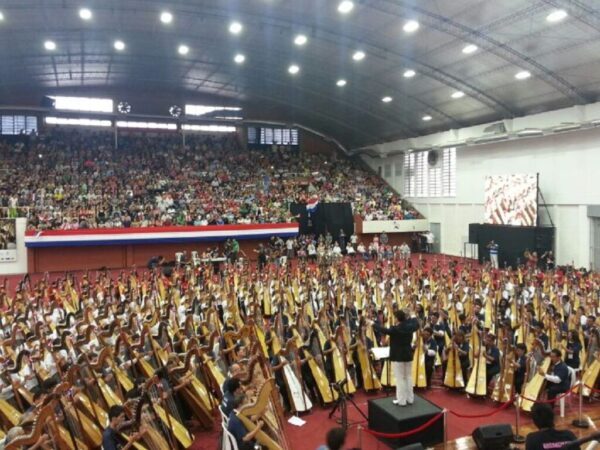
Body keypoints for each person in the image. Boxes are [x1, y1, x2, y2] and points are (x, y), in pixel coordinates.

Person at [369, 309, 420, 406]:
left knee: (400, 378)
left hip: (398, 356)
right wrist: (413, 315)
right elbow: (416, 324)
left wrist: (372, 323)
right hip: (408, 355)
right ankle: (410, 399)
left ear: (397, 318)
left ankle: (401, 401)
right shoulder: (410, 326)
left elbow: (384, 330)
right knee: (408, 377)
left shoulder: (395, 329)